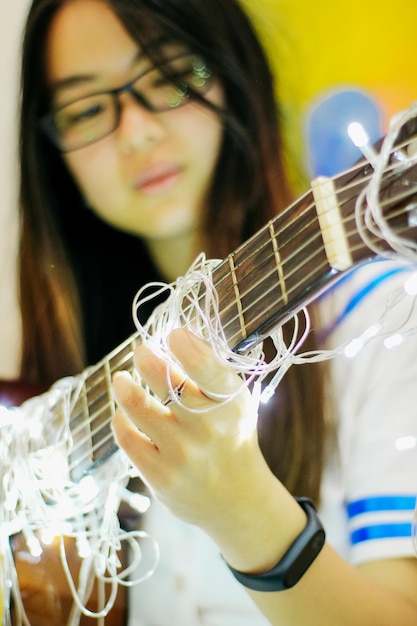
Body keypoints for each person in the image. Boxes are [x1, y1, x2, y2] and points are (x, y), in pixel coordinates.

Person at [12, 0, 417, 623]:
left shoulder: (384, 316)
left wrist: (242, 509)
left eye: (171, 76)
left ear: (233, 78)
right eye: (87, 109)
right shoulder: (69, 372)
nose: (137, 131)